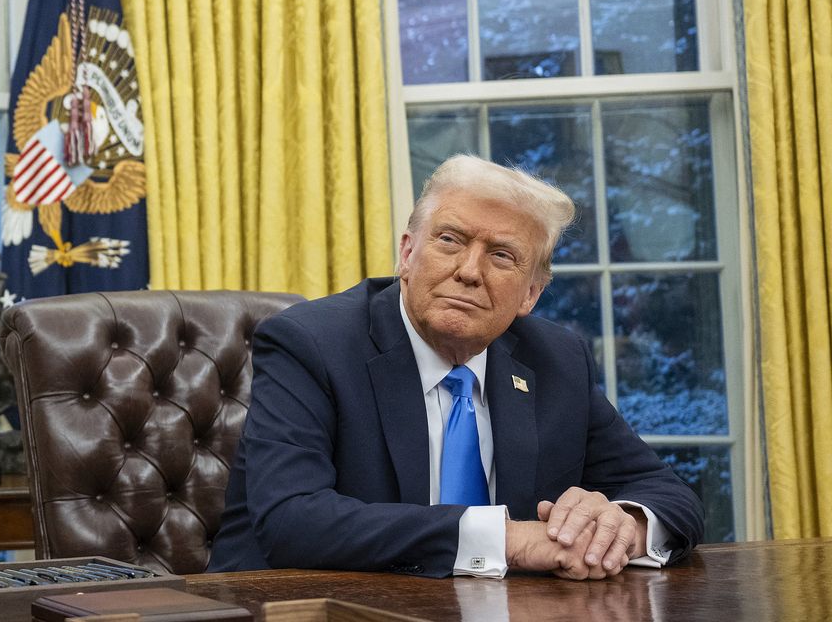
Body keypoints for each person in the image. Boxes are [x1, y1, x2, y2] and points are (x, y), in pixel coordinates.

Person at [208, 155, 703, 579]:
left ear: (531, 293)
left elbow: (668, 494)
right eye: (449, 239)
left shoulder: (555, 360)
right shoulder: (311, 344)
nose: (468, 271)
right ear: (407, 252)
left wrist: (622, 526)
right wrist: (507, 540)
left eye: (502, 256)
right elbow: (293, 521)